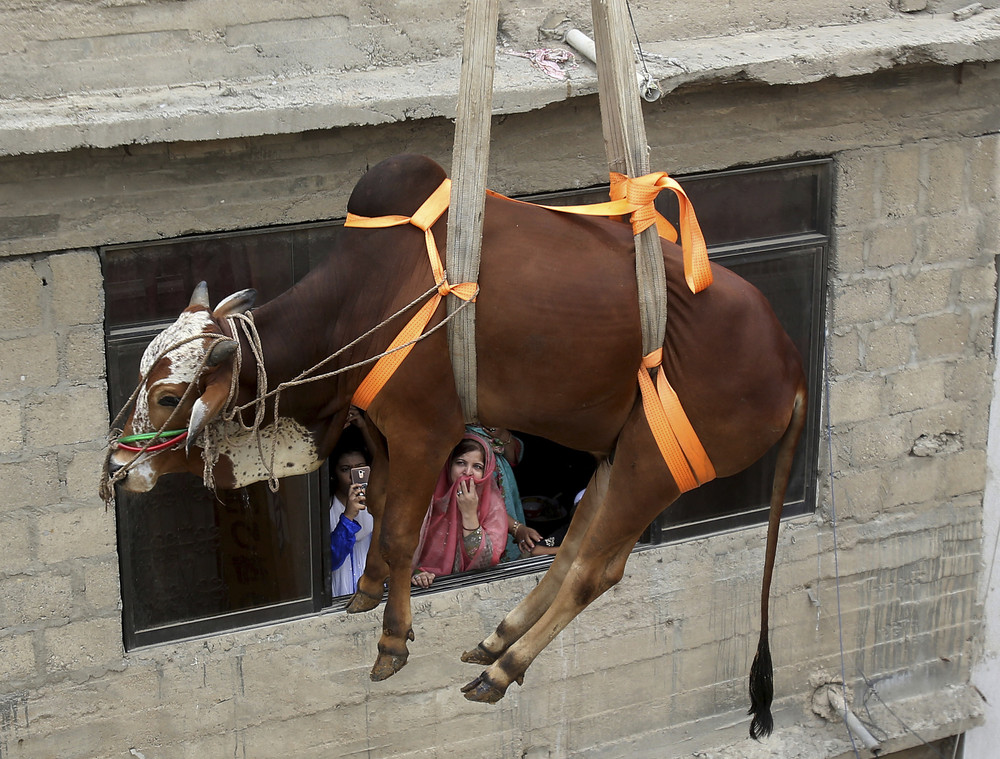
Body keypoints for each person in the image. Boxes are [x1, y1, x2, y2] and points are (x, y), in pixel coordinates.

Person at [411, 434, 509, 588]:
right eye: (461, 463)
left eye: (477, 466)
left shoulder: (492, 506)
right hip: (431, 588)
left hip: (476, 587)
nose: (468, 472)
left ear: (486, 472)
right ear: (449, 465)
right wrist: (418, 573)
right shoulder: (428, 501)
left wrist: (469, 514)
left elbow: (488, 560)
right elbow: (406, 549)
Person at [470, 425, 542, 559]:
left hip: (502, 487)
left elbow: (515, 457)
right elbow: (483, 506)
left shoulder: (494, 424)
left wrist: (503, 435)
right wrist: (516, 528)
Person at [329, 412, 375, 597]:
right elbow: (330, 559)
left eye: (360, 468)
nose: (353, 476)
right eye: (345, 469)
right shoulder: (327, 508)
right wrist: (348, 517)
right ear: (333, 474)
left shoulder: (377, 504)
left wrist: (364, 426)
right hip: (338, 591)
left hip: (372, 589)